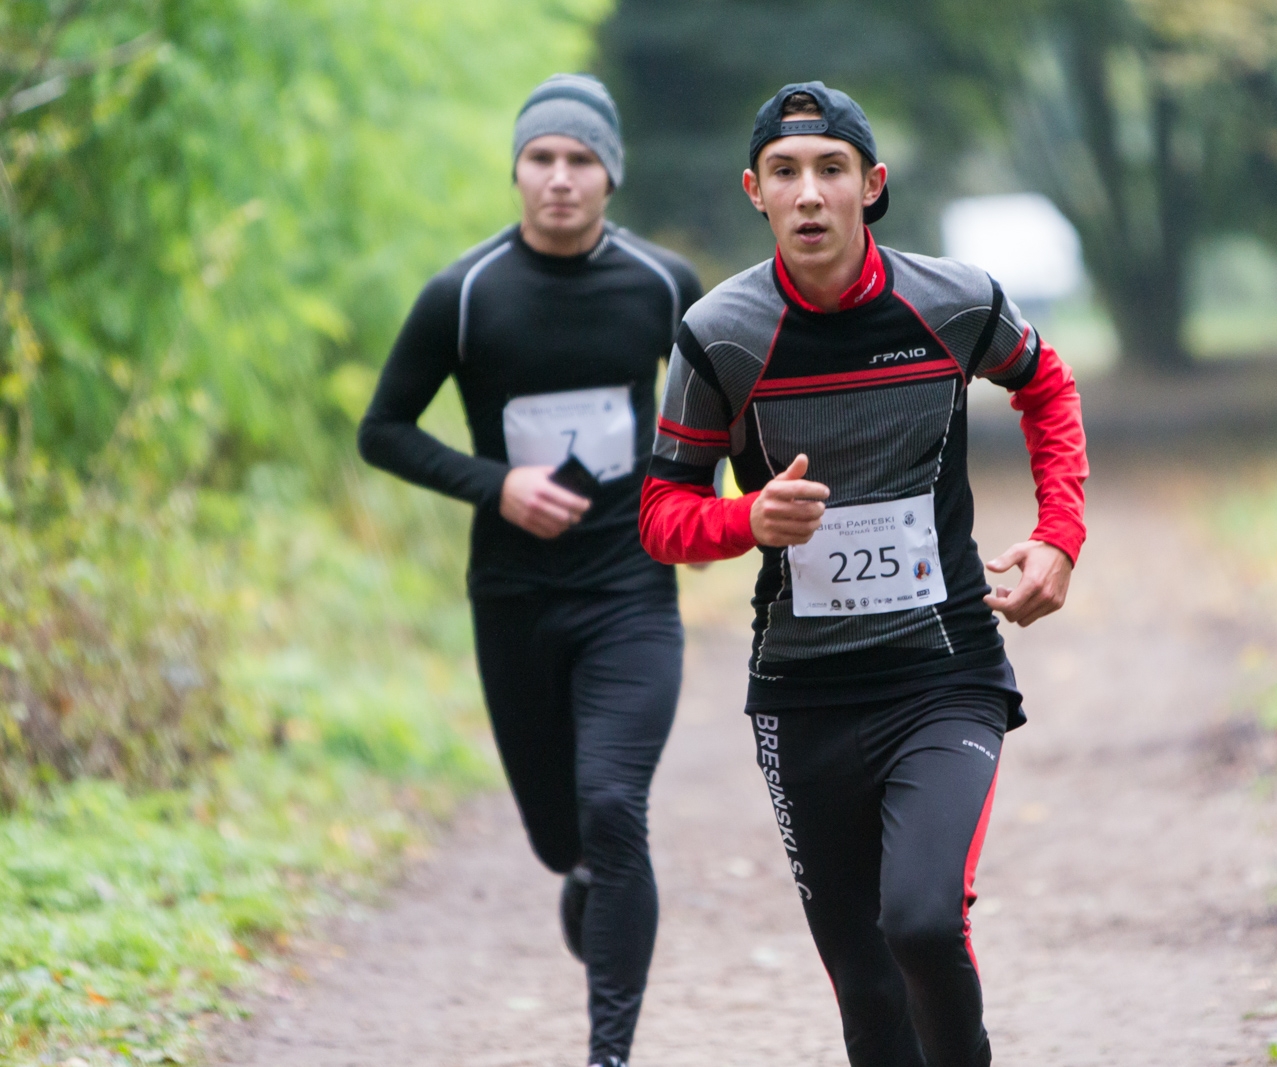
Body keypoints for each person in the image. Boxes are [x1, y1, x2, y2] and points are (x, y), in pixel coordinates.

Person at [637, 82, 1088, 1067]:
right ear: (754, 191)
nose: (809, 193)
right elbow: (662, 514)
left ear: (871, 185)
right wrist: (747, 518)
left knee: (921, 920)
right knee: (869, 992)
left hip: (943, 670)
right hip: (803, 694)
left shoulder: (952, 303)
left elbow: (1046, 386)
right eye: (785, 172)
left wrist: (1059, 534)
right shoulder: (720, 334)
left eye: (831, 170)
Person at [357, 73, 701, 1067]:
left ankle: (608, 1053)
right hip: (513, 597)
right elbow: (382, 430)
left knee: (614, 806)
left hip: (632, 589)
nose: (559, 177)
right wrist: (496, 485)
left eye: (580, 159)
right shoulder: (464, 295)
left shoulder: (664, 284)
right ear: (517, 170)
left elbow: (729, 405)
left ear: (610, 174)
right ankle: (585, 876)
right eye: (542, 157)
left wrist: (726, 507)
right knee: (565, 839)